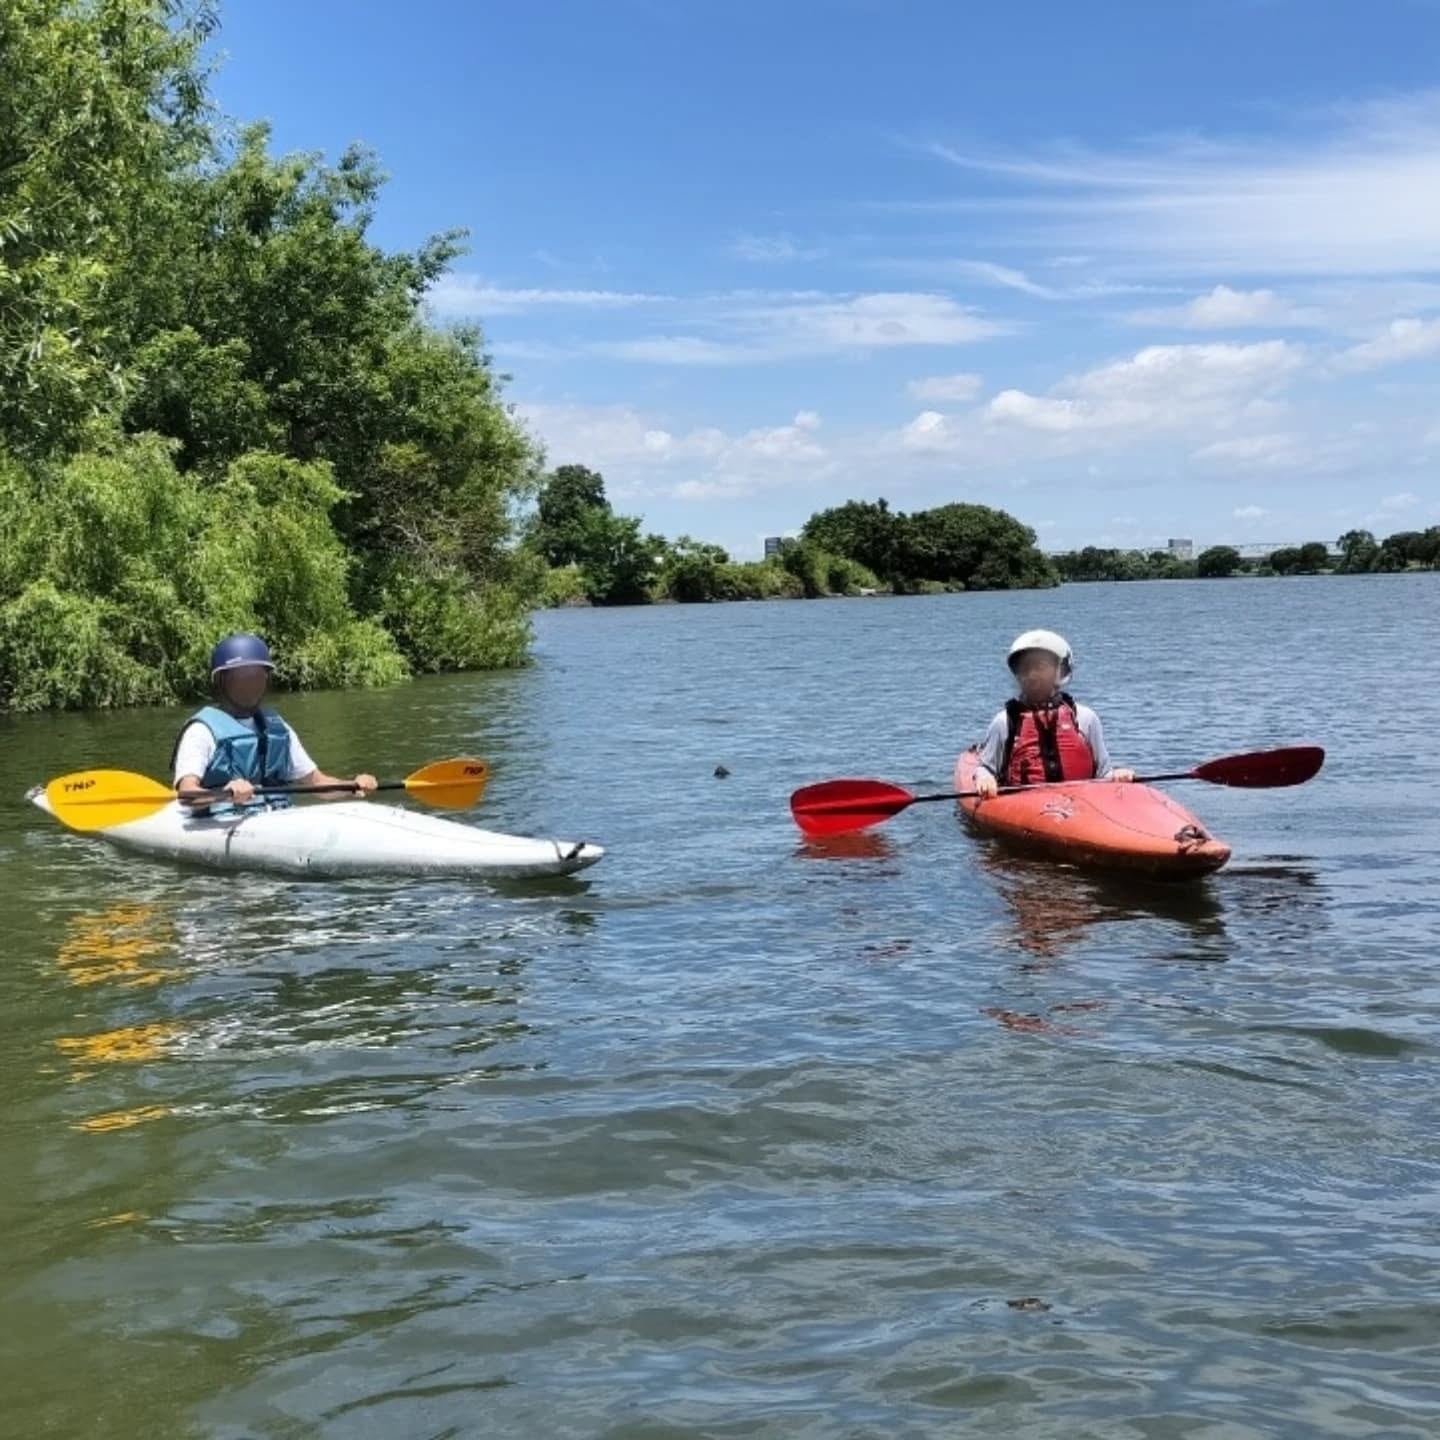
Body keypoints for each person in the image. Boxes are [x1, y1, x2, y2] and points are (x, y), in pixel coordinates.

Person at [172, 634, 377, 812]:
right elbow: (186, 793)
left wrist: (353, 785)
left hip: (276, 815)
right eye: (241, 678)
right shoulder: (201, 731)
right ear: (221, 682)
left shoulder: (278, 727)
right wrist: (224, 794)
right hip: (217, 820)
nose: (250, 685)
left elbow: (318, 783)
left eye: (256, 677)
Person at [973, 630, 1135, 799]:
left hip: (1082, 806)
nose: (1032, 675)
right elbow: (985, 768)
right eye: (1025, 668)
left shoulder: (1085, 718)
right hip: (1027, 808)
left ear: (1060, 670)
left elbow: (1104, 773)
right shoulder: (1005, 722)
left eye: (1041, 667)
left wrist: (1117, 776)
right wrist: (985, 779)